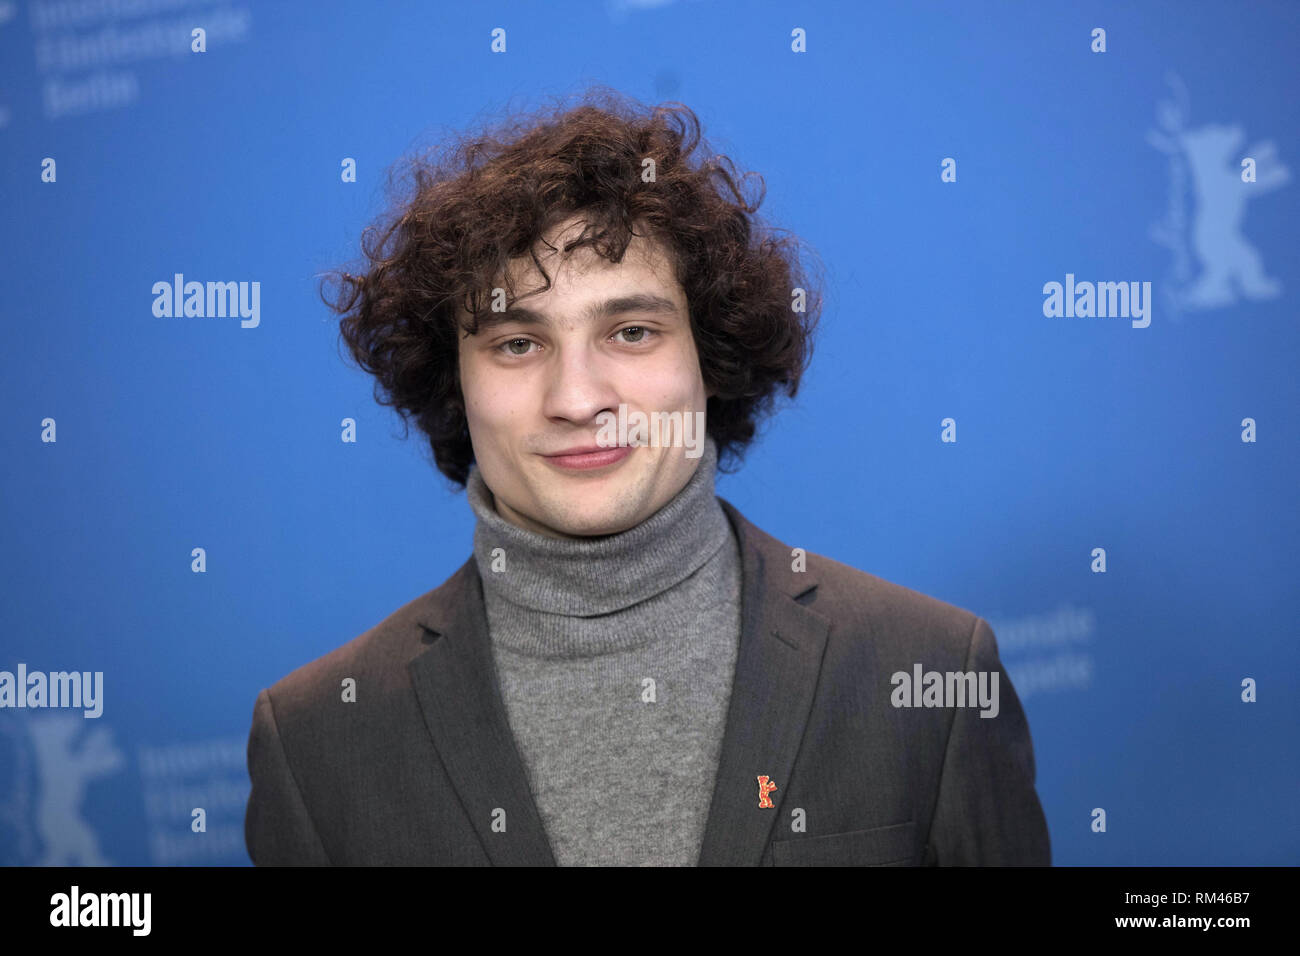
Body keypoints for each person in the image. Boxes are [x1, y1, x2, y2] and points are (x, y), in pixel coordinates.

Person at [244, 88, 1050, 866]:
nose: (578, 398)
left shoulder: (931, 673)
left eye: (631, 331)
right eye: (517, 344)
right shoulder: (316, 741)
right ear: (455, 385)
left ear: (712, 357)